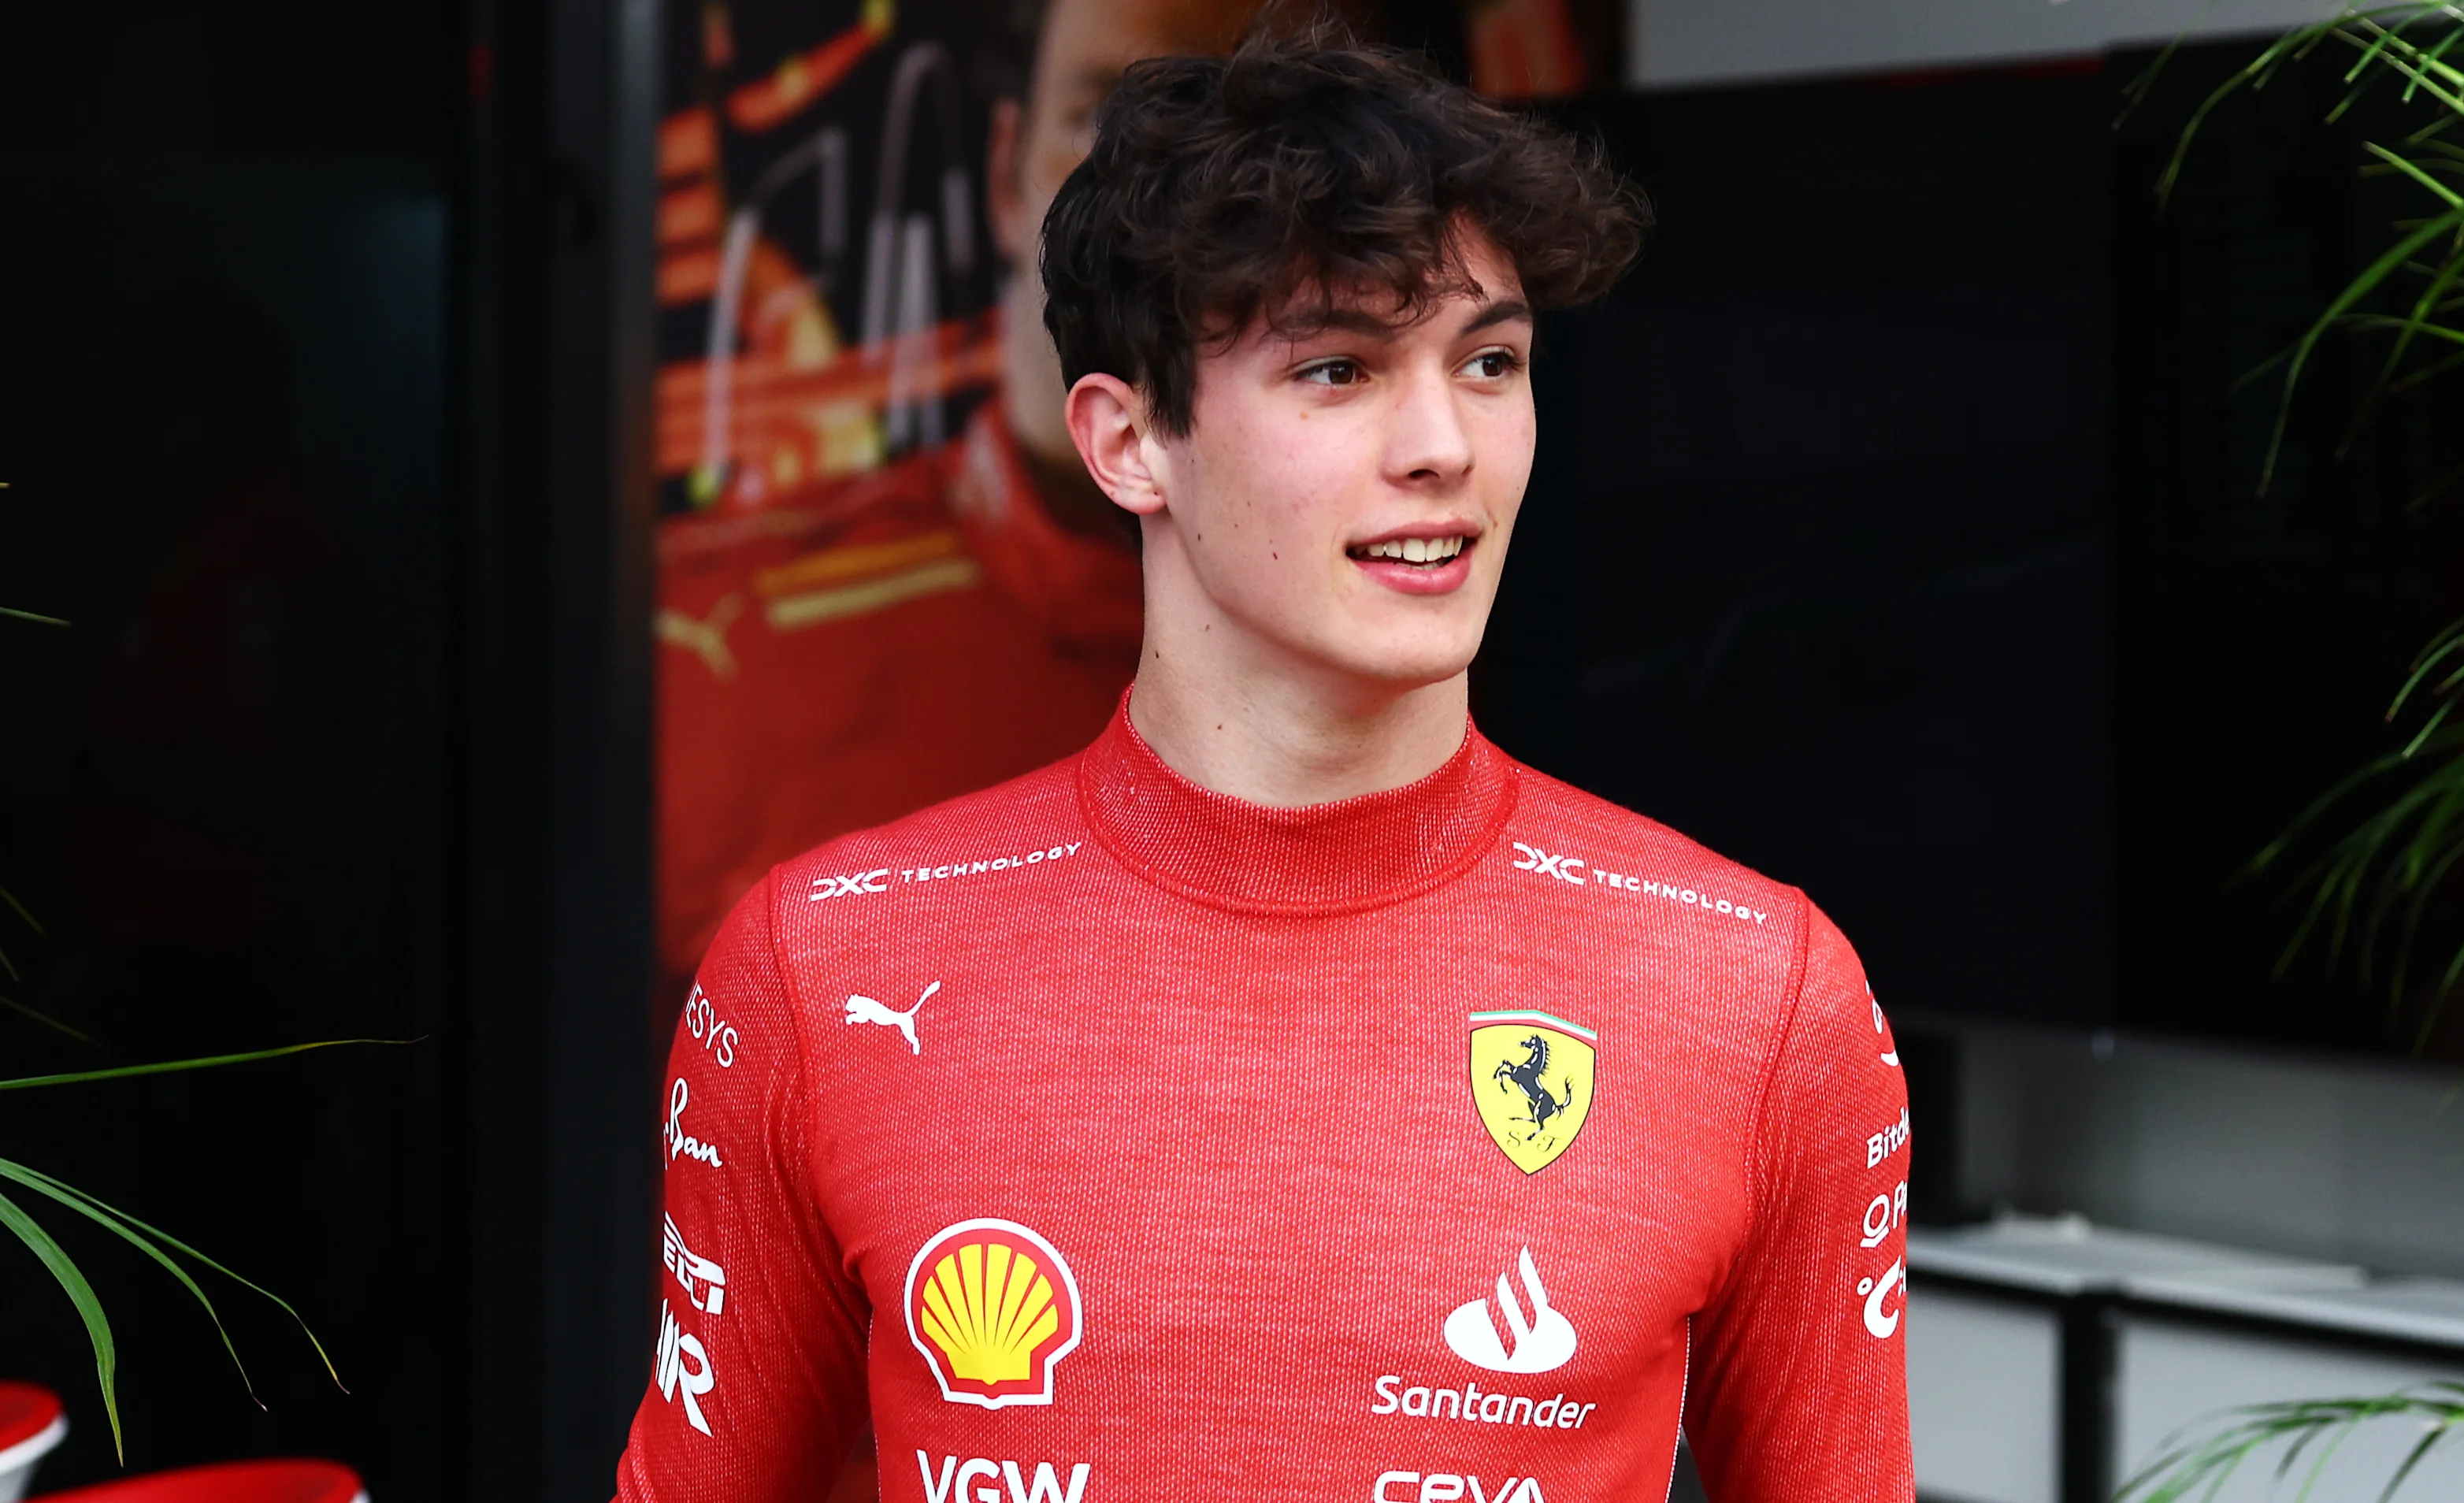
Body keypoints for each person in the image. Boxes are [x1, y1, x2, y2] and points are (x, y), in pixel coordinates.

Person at [618, 34, 1913, 1503]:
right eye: (1338, 368)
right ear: (1128, 442)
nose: (1443, 446)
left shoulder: (1760, 991)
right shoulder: (821, 967)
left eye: (1489, 362)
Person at [652, 0, 1354, 988]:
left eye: (1285, 138)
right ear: (1003, 174)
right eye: (1108, 119)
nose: (1197, 201)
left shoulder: (1470, 632)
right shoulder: (709, 656)